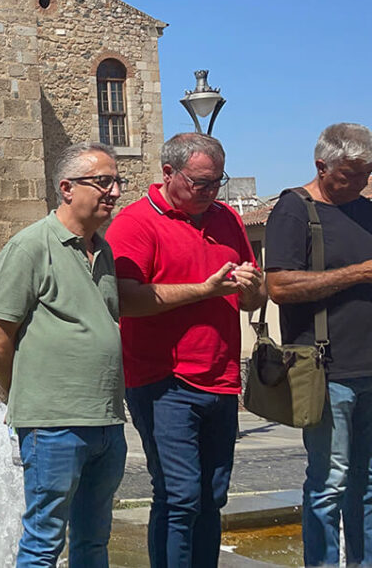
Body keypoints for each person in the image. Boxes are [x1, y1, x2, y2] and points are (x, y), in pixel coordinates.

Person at [106, 132, 266, 567]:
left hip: (221, 379)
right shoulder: (136, 222)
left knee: (213, 496)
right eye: (200, 182)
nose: (211, 191)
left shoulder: (227, 219)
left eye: (217, 181)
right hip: (164, 382)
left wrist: (253, 288)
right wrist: (203, 290)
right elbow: (125, 299)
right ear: (168, 173)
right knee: (179, 497)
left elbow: (252, 299)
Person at [0, 142, 128, 567]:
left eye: (117, 181)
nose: (116, 191)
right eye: (103, 182)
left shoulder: (103, 250)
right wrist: (23, 397)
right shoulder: (30, 247)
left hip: (106, 422)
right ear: (67, 188)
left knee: (94, 541)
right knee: (43, 544)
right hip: (52, 425)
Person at [264, 123, 372, 567]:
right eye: (350, 175)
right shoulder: (294, 210)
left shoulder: (366, 210)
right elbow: (279, 286)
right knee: (329, 484)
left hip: (369, 368)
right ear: (322, 166)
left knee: (368, 485)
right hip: (328, 371)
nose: (360, 183)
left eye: (366, 174)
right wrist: (358, 274)